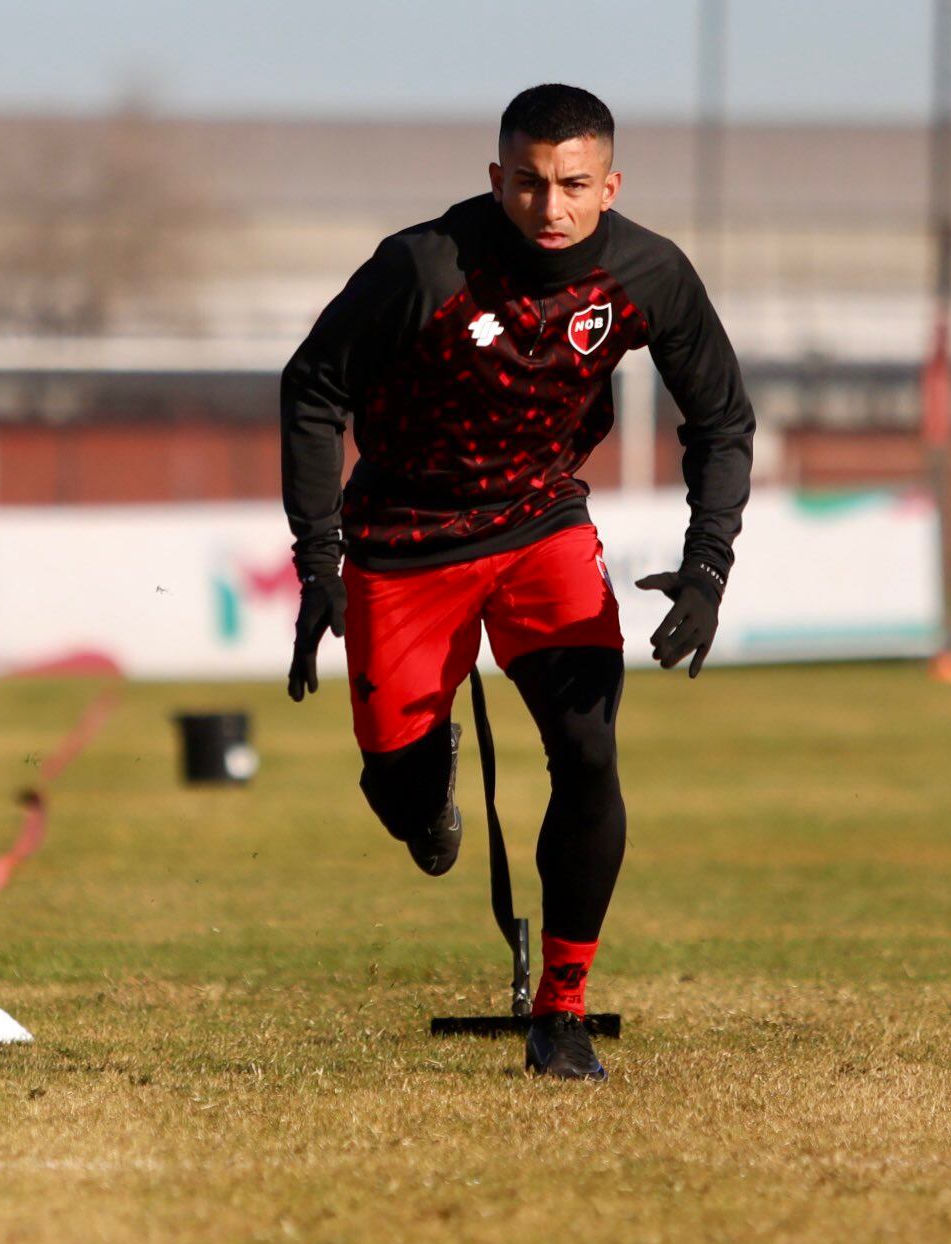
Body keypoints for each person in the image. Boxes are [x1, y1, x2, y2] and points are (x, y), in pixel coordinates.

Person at [280, 83, 754, 1081]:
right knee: (401, 794)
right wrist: (317, 559)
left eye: (574, 185)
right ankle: (424, 787)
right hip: (404, 537)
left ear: (609, 185)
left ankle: (563, 1011)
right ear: (497, 179)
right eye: (530, 184)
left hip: (541, 522)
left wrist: (709, 563)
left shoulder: (649, 274)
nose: (551, 207)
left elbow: (720, 417)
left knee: (588, 750)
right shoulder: (425, 267)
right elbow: (313, 385)